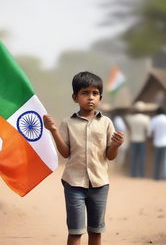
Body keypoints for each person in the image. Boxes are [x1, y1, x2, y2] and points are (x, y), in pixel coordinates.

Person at [43, 71, 124, 245]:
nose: (90, 97)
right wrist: (53, 131)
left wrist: (116, 145)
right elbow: (65, 153)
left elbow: (110, 156)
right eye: (85, 93)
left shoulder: (107, 123)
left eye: (95, 93)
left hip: (99, 184)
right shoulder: (67, 123)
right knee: (75, 231)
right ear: (75, 97)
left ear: (100, 97)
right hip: (74, 183)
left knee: (95, 231)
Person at [148, 107, 166, 180]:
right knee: (165, 161)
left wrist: (150, 143)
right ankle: (164, 176)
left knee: (156, 160)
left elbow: (150, 133)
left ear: (157, 112)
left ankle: (156, 176)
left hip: (156, 143)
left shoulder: (154, 120)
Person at [126, 102, 150, 178]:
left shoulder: (131, 118)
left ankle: (133, 174)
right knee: (142, 158)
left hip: (133, 140)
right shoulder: (146, 119)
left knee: (134, 158)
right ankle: (142, 175)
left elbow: (129, 128)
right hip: (142, 140)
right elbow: (147, 131)